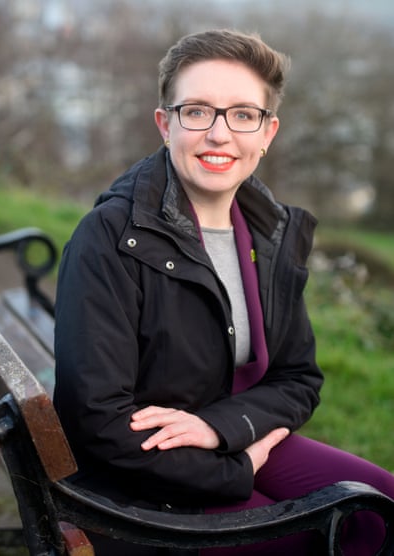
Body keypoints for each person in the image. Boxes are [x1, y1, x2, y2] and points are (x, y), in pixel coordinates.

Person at [54, 29, 394, 555]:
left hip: (229, 437)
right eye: (197, 112)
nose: (219, 133)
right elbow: (98, 421)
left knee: (384, 504)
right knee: (321, 539)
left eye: (242, 114)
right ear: (165, 124)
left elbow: (297, 377)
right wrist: (236, 469)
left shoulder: (272, 234)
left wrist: (221, 429)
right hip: (139, 492)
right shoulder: (109, 238)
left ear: (267, 132)